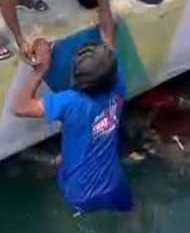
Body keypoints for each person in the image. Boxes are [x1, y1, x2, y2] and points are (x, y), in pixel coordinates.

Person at [14, 40, 135, 217]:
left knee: (57, 165)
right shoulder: (118, 88)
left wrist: (41, 69)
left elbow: (20, 107)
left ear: (75, 78)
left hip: (78, 192)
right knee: (132, 211)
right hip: (114, 186)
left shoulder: (69, 102)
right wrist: (103, 11)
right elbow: (109, 41)